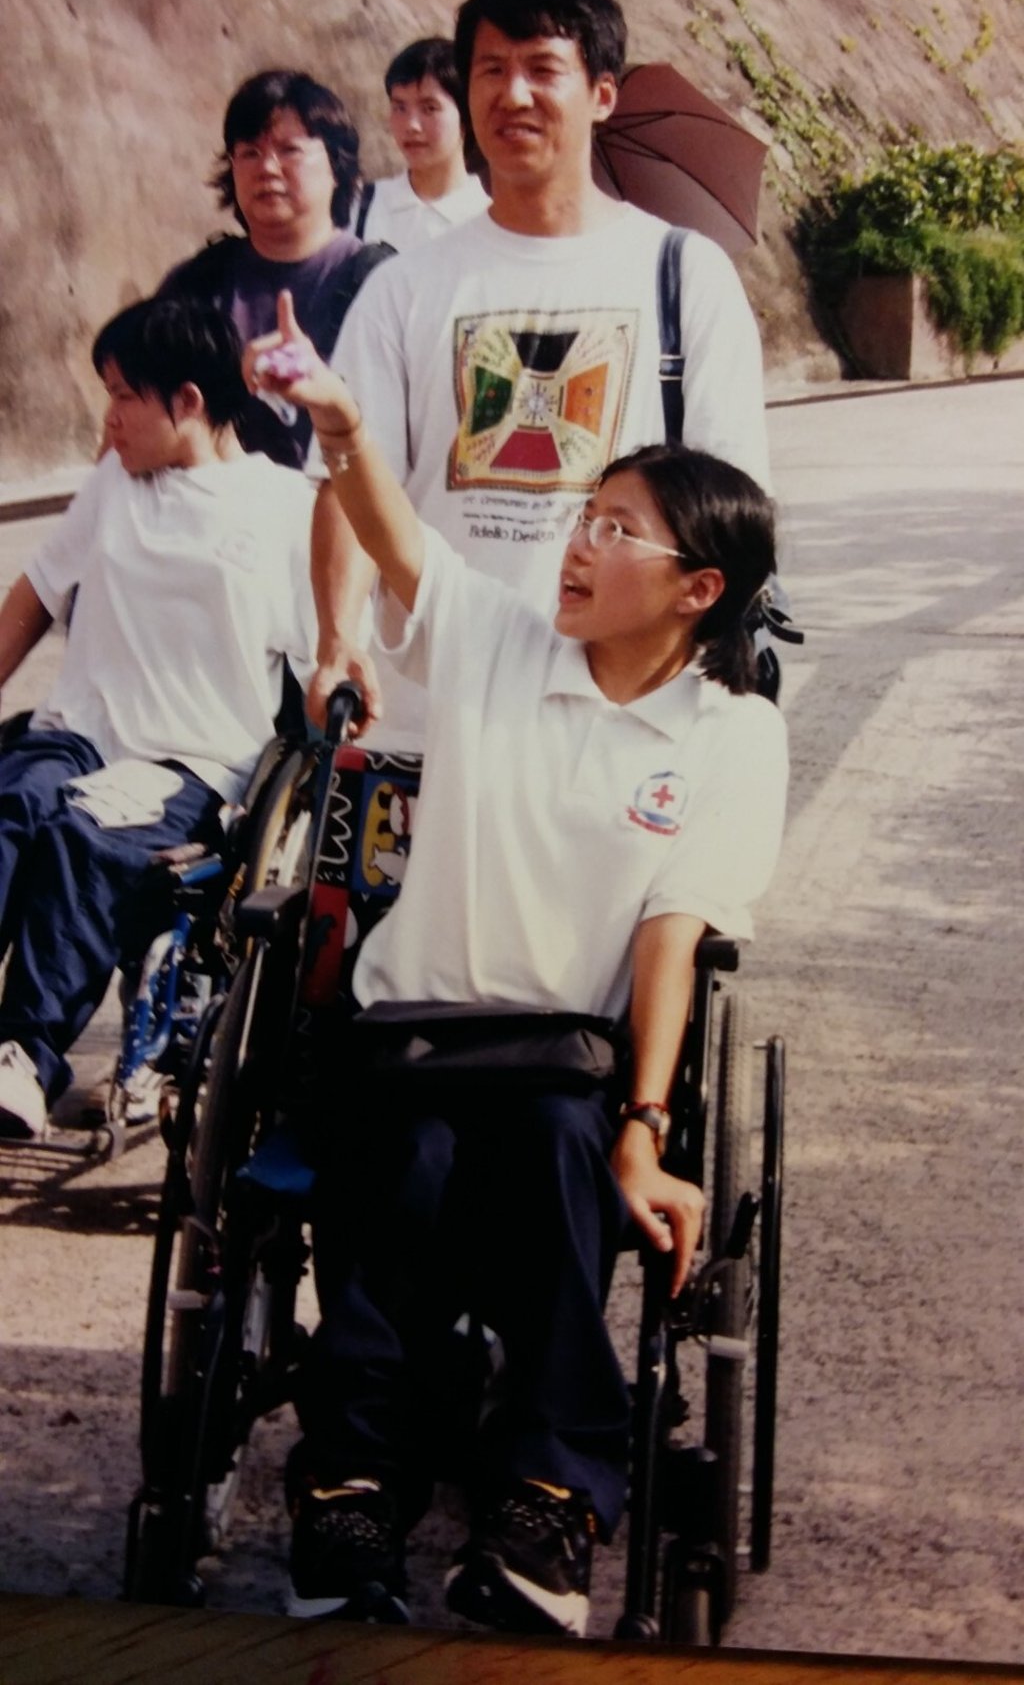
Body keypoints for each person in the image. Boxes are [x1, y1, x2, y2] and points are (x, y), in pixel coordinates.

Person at [247, 296, 788, 1637]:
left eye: (618, 529)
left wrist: (647, 1132)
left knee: (560, 1146)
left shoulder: (728, 734)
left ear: (697, 587)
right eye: (582, 516)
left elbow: (677, 924)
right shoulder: (495, 641)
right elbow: (395, 536)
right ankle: (355, 1476)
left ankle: (547, 1495)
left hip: (566, 1062)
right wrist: (346, 421)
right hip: (411, 1037)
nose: (580, 544)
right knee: (407, 1162)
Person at [309, 0, 773, 749]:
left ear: (602, 93)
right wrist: (336, 637)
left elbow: (733, 509)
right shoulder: (404, 288)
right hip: (434, 718)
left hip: (619, 721)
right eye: (490, 69)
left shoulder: (685, 277)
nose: (512, 93)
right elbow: (353, 486)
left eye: (541, 68)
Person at [0, 298, 317, 1142]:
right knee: (14, 807)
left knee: (79, 836)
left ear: (187, 400)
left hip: (187, 760)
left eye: (121, 396)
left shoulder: (287, 508)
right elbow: (31, 597)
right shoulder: (112, 485)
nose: (107, 419)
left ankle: (24, 1056)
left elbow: (325, 665)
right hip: (77, 730)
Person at [157, 69, 391, 727]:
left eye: (292, 150)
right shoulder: (197, 282)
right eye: (250, 152)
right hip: (208, 569)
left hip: (333, 566)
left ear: (337, 166)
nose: (268, 168)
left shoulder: (383, 283)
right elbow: (135, 419)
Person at [354, 37, 489, 251]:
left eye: (429, 108)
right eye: (400, 108)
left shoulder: (488, 220)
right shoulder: (362, 207)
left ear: (467, 116)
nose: (412, 125)